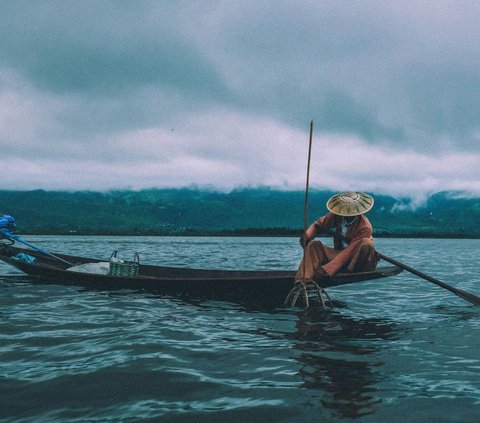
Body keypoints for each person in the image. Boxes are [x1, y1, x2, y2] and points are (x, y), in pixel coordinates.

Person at [295, 192, 378, 283]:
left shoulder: (365, 227)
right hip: (339, 254)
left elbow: (348, 252)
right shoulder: (337, 215)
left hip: (357, 260)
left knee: (366, 243)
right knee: (314, 245)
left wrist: (327, 269)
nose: (347, 214)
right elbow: (318, 225)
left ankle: (333, 269)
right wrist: (307, 236)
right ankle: (303, 280)